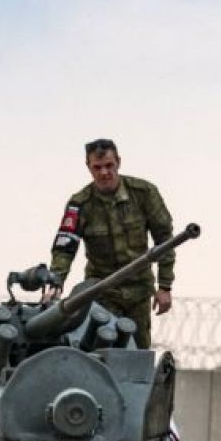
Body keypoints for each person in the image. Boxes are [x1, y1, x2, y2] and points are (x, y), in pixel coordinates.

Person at [44, 138, 176, 349]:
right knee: (101, 350)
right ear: (88, 167)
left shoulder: (143, 194)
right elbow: (65, 247)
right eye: (97, 167)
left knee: (137, 355)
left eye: (109, 166)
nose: (104, 173)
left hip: (139, 292)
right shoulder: (80, 203)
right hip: (102, 292)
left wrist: (165, 286)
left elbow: (165, 240)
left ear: (118, 163)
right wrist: (55, 283)